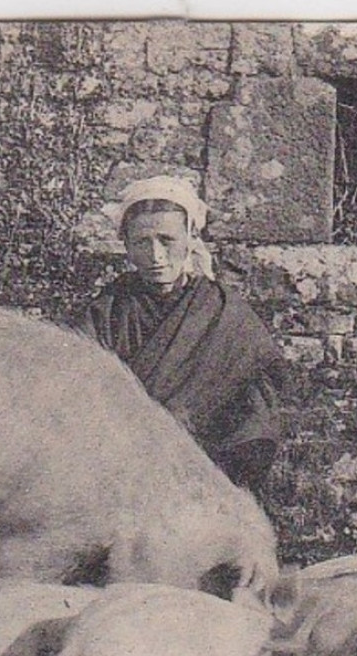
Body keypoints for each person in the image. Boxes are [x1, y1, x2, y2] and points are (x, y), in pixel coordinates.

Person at [74, 176, 283, 495]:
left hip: (204, 476)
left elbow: (258, 404)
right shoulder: (109, 311)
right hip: (119, 474)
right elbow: (76, 387)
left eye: (167, 240)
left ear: (190, 237)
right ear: (127, 245)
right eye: (142, 242)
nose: (156, 256)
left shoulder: (223, 313)